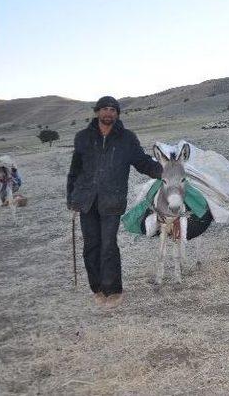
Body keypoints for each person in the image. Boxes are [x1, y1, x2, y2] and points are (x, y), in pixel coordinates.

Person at [67, 96, 162, 308]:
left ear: (117, 114)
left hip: (112, 200)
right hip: (86, 200)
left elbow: (142, 162)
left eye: (113, 109)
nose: (108, 113)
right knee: (91, 245)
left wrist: (163, 171)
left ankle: (114, 289)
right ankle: (97, 288)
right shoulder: (82, 137)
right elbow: (74, 171)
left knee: (108, 245)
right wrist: (71, 199)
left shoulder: (127, 138)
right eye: (104, 109)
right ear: (97, 112)